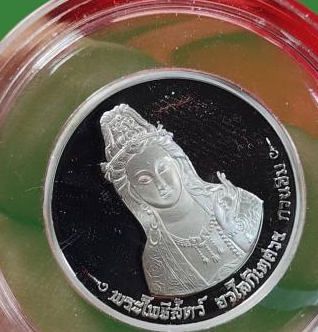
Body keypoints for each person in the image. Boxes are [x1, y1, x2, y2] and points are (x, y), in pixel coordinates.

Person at [101, 104, 263, 297]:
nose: (161, 184)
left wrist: (232, 228)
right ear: (132, 192)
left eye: (163, 168)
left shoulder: (235, 201)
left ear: (178, 163)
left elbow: (262, 252)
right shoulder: (156, 260)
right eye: (144, 180)